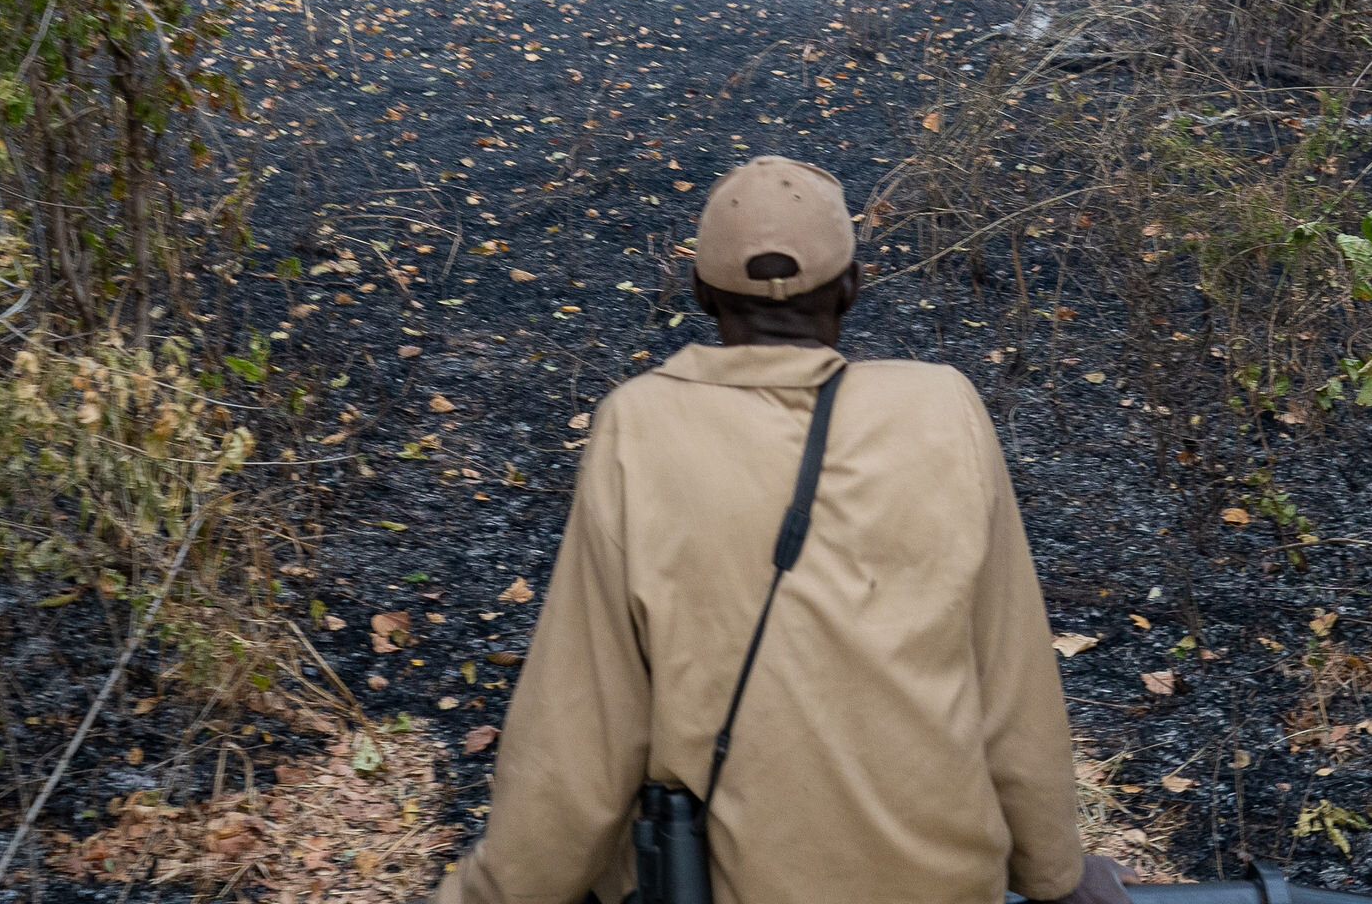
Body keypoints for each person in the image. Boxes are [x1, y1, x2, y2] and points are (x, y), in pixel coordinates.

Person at [431, 156, 1131, 904]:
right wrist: (1058, 873)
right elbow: (1010, 680)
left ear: (701, 292)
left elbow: (583, 727)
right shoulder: (943, 409)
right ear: (853, 286)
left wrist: (487, 894)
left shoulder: (640, 427)